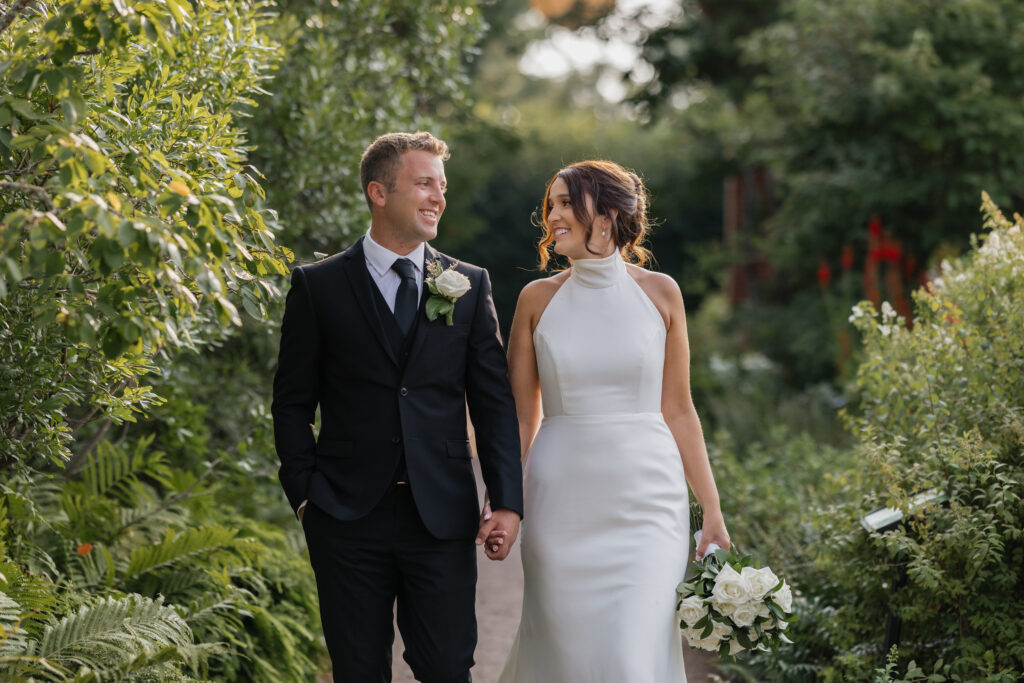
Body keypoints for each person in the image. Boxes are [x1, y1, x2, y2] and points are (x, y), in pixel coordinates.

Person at [271, 131, 523, 683]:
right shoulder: (318, 287)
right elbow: (292, 403)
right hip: (343, 513)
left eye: (443, 187)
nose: (439, 198)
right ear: (378, 193)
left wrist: (507, 499)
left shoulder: (469, 284)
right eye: (425, 183)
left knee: (447, 666)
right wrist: (305, 496)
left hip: (442, 515)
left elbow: (493, 403)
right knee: (358, 670)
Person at [494, 160, 730, 682]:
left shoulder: (662, 294)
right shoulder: (536, 300)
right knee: (568, 657)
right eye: (549, 204)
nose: (551, 216)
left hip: (648, 505)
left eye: (563, 203)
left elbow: (679, 409)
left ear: (605, 212)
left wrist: (710, 510)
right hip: (560, 504)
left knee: (630, 656)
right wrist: (504, 500)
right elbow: (519, 416)